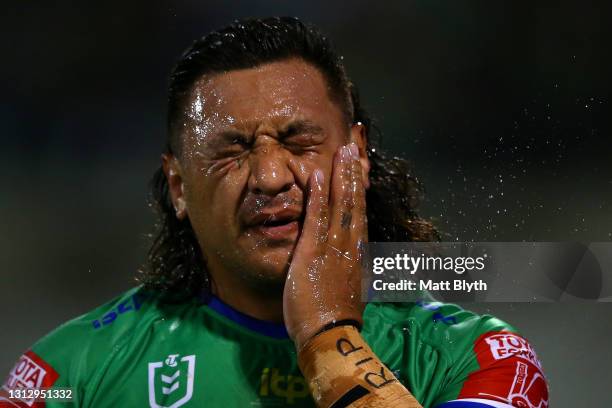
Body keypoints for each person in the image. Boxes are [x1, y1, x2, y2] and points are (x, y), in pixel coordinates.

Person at [1, 17, 548, 408]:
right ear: (178, 187)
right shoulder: (66, 376)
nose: (269, 176)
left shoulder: (477, 358)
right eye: (232, 151)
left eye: (299, 141)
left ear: (357, 155)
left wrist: (326, 338)